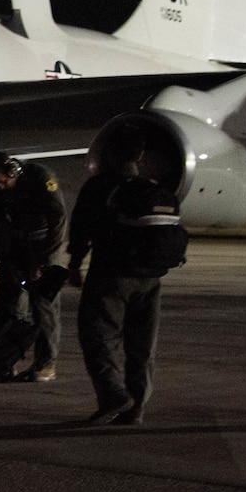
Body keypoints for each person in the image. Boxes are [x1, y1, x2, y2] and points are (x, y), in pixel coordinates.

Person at [67, 127, 175, 425]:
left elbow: (80, 229)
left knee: (98, 336)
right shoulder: (150, 187)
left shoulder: (98, 187)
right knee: (142, 345)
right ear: (140, 155)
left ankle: (114, 394)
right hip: (151, 277)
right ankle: (137, 408)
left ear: (110, 154)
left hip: (110, 274)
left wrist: (75, 263)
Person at [0, 152, 66, 381]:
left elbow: (58, 220)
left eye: (3, 182)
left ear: (13, 172)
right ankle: (5, 360)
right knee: (9, 303)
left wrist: (42, 263)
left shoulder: (40, 178)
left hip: (44, 243)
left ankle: (45, 364)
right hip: (16, 244)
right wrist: (8, 263)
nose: (0, 187)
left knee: (43, 306)